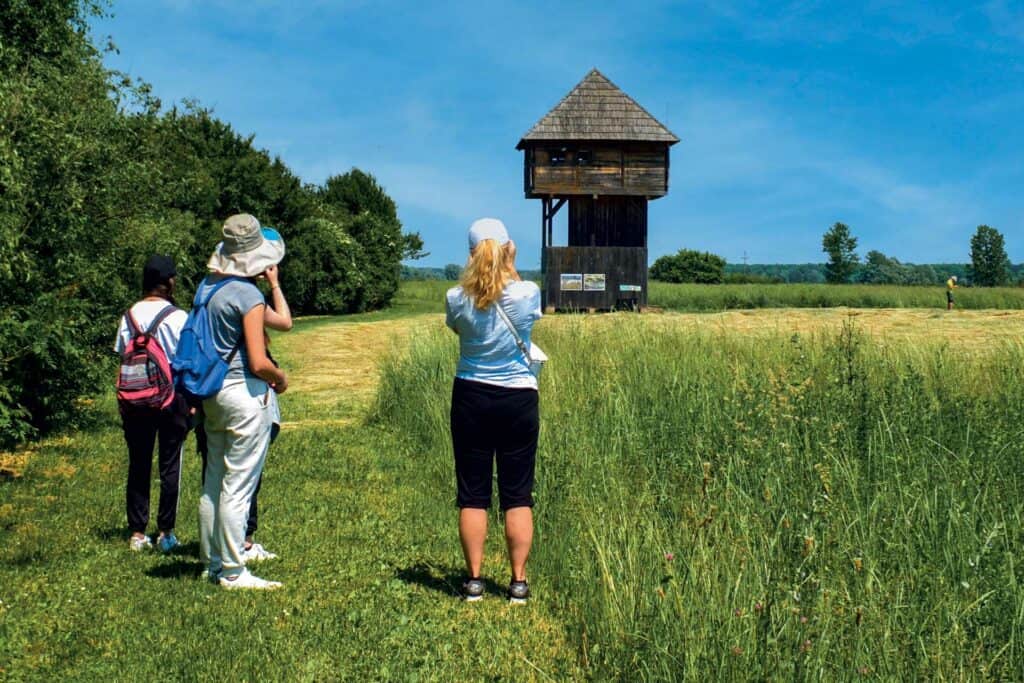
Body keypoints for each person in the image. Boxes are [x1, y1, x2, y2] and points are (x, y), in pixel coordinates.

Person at [444, 218, 542, 604]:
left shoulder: (455, 298)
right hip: (518, 399)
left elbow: (458, 329)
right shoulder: (526, 293)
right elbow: (520, 300)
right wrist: (510, 266)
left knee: (473, 493)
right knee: (517, 494)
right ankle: (517, 582)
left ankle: (474, 581)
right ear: (507, 249)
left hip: (471, 395)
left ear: (470, 253)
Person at [197, 214, 288, 590]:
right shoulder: (248, 295)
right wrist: (280, 379)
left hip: (212, 393)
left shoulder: (207, 287)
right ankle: (234, 571)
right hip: (244, 395)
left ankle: (211, 561)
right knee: (238, 485)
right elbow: (258, 360)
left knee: (213, 481)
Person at [113, 255, 189, 552]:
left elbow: (123, 353)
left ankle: (136, 532)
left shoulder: (129, 315)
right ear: (168, 281)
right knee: (170, 463)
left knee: (139, 462)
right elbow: (184, 360)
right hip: (170, 399)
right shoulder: (178, 317)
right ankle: (165, 532)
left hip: (135, 399)